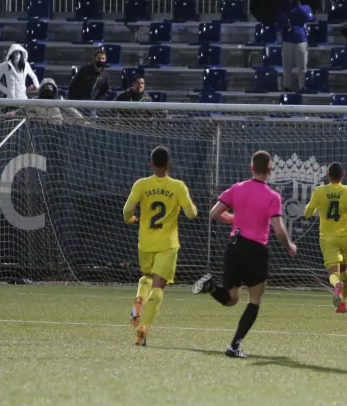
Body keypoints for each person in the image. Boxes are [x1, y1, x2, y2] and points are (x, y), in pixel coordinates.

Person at [191, 151, 298, 358]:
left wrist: (236, 219)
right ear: (270, 170)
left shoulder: (236, 188)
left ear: (251, 168)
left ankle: (210, 286)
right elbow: (279, 230)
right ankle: (233, 346)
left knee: (231, 299)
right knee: (254, 299)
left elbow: (214, 214)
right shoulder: (273, 196)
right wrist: (289, 247)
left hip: (234, 246)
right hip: (255, 250)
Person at [122, 145, 198, 346]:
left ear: (152, 164)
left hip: (145, 244)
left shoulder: (141, 184)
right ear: (169, 165)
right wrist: (192, 208)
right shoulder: (178, 186)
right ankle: (143, 327)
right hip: (168, 244)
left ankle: (139, 299)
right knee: (158, 286)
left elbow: (127, 208)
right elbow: (191, 214)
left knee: (146, 278)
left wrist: (130, 219)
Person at [303, 162, 347, 314]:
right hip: (346, 236)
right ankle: (343, 304)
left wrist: (308, 209)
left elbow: (308, 213)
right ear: (343, 175)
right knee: (343, 268)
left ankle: (337, 286)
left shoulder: (319, 191)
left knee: (333, 273)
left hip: (328, 238)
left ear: (328, 175)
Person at [276, 0, 314, 92]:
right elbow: (279, 24)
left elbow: (309, 17)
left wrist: (298, 7)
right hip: (287, 40)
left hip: (301, 40)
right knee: (287, 66)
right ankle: (287, 86)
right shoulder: (284, 8)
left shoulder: (305, 7)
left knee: (302, 66)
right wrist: (285, 23)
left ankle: (302, 86)